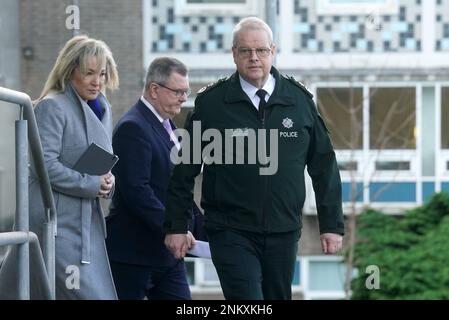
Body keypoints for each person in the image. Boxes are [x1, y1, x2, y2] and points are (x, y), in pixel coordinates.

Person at [164, 17, 345, 300]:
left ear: (273, 51)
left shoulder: (299, 101)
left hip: (284, 230)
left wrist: (331, 224)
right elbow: (184, 170)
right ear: (233, 54)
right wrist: (176, 225)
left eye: (261, 50)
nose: (254, 58)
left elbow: (324, 166)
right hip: (230, 230)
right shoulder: (212, 104)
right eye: (245, 51)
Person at [0, 35, 119, 299]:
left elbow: (99, 162)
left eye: (101, 73)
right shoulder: (53, 106)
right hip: (55, 225)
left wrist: (108, 183)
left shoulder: (100, 108)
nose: (97, 81)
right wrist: (91, 184)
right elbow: (44, 166)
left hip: (82, 225)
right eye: (89, 73)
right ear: (70, 70)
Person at [106, 57, 199, 300]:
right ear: (154, 90)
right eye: (178, 91)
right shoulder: (133, 127)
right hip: (134, 256)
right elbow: (137, 190)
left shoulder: (167, 126)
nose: (183, 97)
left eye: (185, 91)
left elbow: (178, 188)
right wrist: (173, 227)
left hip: (168, 256)